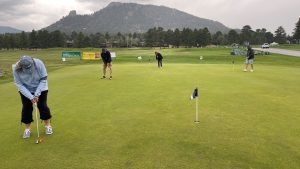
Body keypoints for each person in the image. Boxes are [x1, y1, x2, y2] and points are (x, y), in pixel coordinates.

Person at [12, 56, 53, 139]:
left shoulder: (39, 63)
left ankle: (48, 126)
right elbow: (19, 84)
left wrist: (37, 94)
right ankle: (27, 129)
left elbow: (43, 79)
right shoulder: (15, 68)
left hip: (41, 87)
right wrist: (31, 97)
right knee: (26, 108)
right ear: (21, 66)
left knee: (42, 106)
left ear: (33, 62)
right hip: (26, 89)